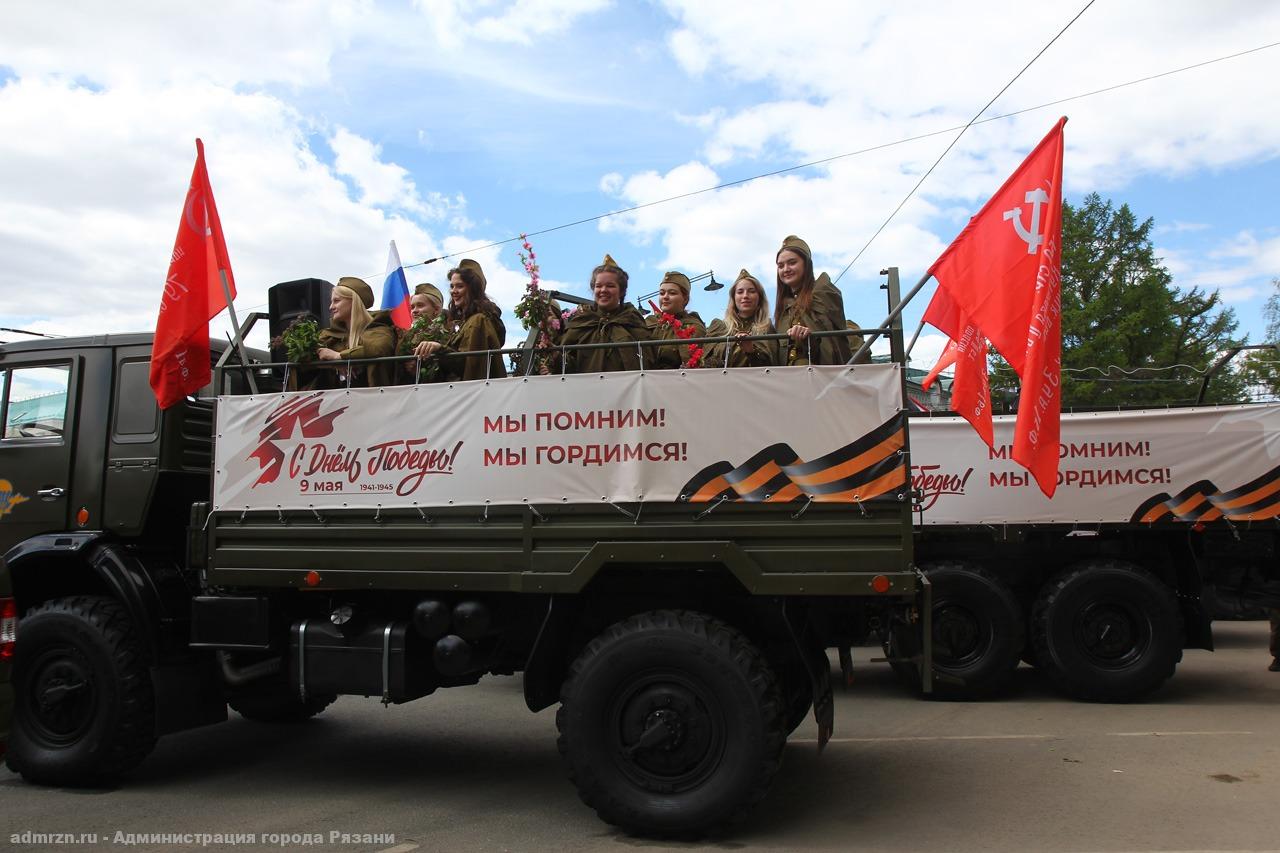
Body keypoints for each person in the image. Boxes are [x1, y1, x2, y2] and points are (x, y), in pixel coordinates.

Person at [554, 254, 650, 373]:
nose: (603, 290)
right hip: (587, 384)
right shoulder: (581, 322)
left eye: (610, 286)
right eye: (598, 286)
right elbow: (567, 367)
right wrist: (555, 355)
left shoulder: (633, 320)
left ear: (621, 291)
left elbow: (648, 363)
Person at [296, 276, 397, 389]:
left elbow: (379, 347)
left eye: (336, 301)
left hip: (373, 398)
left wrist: (339, 356)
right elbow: (301, 357)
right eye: (331, 302)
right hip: (335, 399)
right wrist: (331, 363)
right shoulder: (329, 335)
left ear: (354, 302)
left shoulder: (379, 328)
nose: (331, 307)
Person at [414, 259, 507, 381]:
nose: (453, 291)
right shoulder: (464, 322)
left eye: (460, 286)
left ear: (473, 289)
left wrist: (439, 348)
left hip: (471, 390)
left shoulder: (478, 321)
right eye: (452, 286)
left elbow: (470, 366)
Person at [773, 234, 852, 366]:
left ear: (806, 264)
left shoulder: (822, 295)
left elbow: (832, 346)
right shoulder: (784, 307)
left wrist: (809, 338)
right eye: (781, 266)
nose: (786, 269)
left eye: (792, 263)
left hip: (817, 374)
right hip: (786, 376)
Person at [704, 268, 778, 368]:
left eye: (751, 291)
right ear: (734, 297)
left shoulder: (767, 327)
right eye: (740, 292)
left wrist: (751, 351)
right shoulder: (718, 326)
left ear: (759, 297)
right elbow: (704, 362)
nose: (745, 296)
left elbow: (773, 366)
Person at [645, 271, 706, 369]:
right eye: (662, 293)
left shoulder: (693, 326)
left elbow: (692, 363)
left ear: (685, 299)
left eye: (672, 293)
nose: (665, 297)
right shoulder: (649, 323)